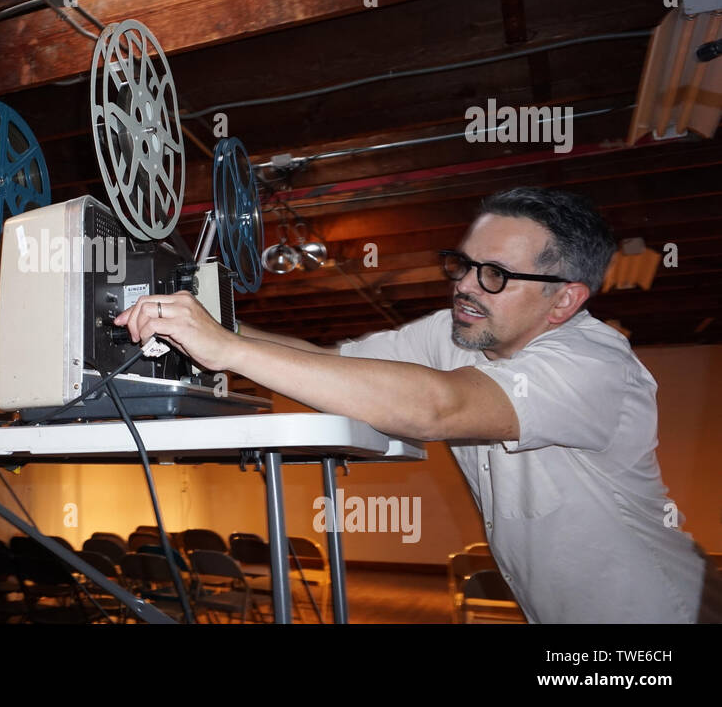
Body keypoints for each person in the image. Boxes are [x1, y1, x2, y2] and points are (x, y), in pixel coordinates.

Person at [114, 186, 720, 623]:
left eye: (494, 275)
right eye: (462, 265)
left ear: (563, 302)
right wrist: (211, 328)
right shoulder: (459, 330)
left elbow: (441, 410)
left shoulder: (595, 364)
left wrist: (225, 351)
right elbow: (334, 363)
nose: (463, 285)